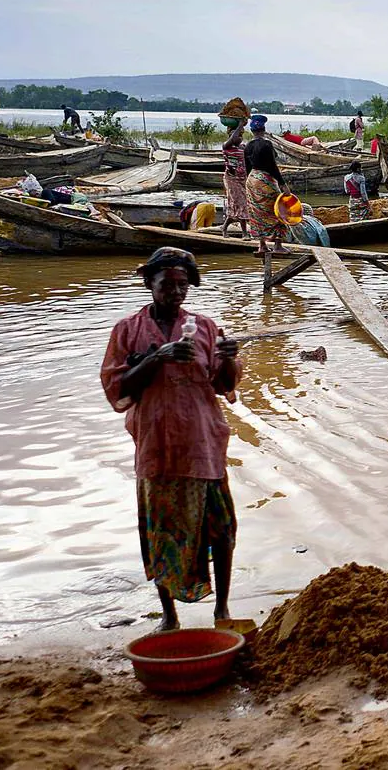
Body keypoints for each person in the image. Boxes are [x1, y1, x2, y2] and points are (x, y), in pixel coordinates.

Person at [100, 248, 241, 632]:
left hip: (202, 441)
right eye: (166, 285)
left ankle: (222, 610)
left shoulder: (205, 327)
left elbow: (223, 384)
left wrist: (229, 357)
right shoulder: (127, 331)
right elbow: (116, 388)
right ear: (150, 284)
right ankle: (169, 614)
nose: (175, 293)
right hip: (156, 443)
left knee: (220, 528)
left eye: (183, 286)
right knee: (160, 530)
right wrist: (155, 358)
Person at [243, 116, 293, 256]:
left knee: (256, 213)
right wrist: (283, 185)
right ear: (264, 130)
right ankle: (277, 245)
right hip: (265, 179)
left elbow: (247, 168)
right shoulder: (267, 144)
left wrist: (249, 184)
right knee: (279, 210)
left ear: (252, 131)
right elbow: (273, 166)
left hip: (252, 180)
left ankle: (262, 245)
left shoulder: (248, 146)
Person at [220, 114, 250, 238]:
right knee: (241, 204)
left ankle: (224, 228)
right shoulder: (226, 146)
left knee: (240, 205)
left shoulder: (243, 148)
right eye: (237, 135)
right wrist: (239, 125)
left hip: (243, 179)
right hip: (231, 179)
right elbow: (232, 138)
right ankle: (244, 233)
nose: (239, 138)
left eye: (241, 136)